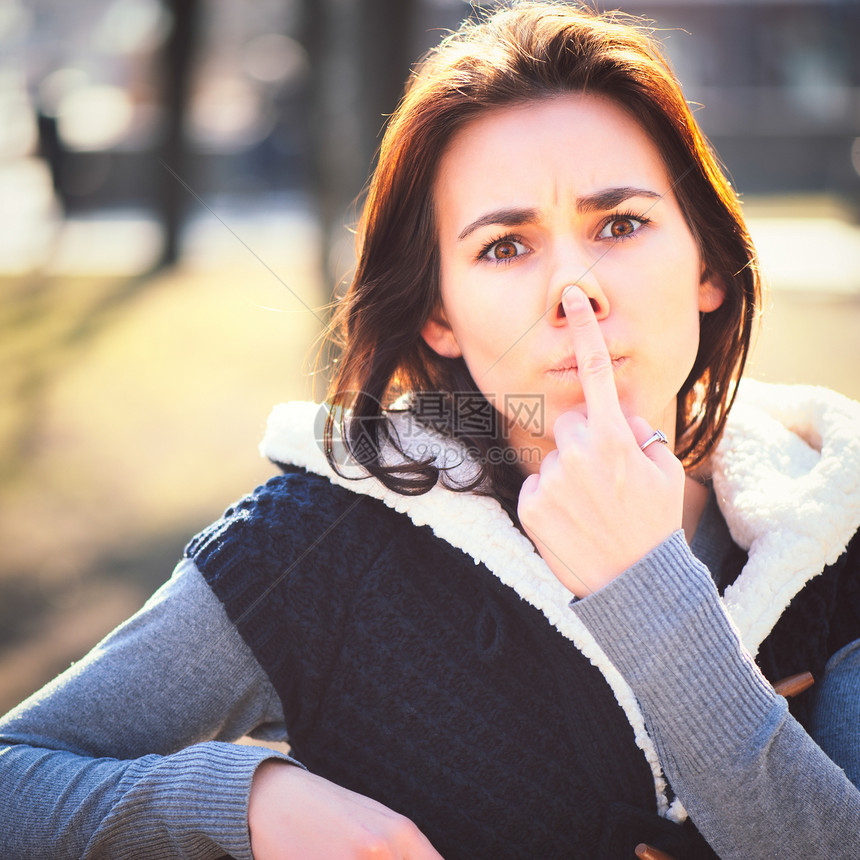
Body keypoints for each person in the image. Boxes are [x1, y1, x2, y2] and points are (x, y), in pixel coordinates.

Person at [2, 2, 860, 858]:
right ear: (439, 316)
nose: (574, 290)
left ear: (707, 261)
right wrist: (246, 803)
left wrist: (648, 589)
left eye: (620, 226)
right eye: (504, 247)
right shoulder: (317, 543)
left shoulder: (831, 534)